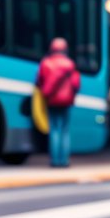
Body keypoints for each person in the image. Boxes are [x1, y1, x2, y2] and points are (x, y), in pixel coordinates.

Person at [36, 38, 80, 167]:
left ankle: (55, 160)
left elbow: (39, 81)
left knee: (54, 129)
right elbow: (76, 84)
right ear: (65, 49)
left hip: (52, 100)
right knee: (65, 130)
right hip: (66, 101)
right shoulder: (70, 64)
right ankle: (64, 160)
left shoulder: (46, 63)